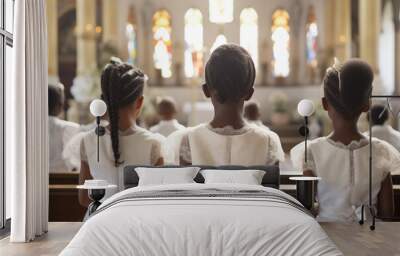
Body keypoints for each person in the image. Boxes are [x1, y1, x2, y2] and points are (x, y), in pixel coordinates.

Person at [290, 59, 400, 222]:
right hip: (371, 244)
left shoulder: (311, 152)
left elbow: (305, 213)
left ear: (325, 104)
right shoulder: (381, 152)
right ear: (367, 104)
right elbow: (386, 214)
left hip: (327, 242)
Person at [166, 44, 284, 166]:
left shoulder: (187, 141)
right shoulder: (268, 142)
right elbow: (271, 185)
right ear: (249, 93)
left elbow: (185, 184)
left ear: (206, 90)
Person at [79, 60, 165, 207]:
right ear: (139, 102)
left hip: (98, 224)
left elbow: (84, 198)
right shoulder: (154, 144)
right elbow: (157, 198)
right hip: (137, 225)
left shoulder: (88, 140)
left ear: (104, 100)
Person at [48, 83, 80, 172]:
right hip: (66, 180)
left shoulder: (28, 129)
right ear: (60, 105)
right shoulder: (71, 128)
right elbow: (74, 165)